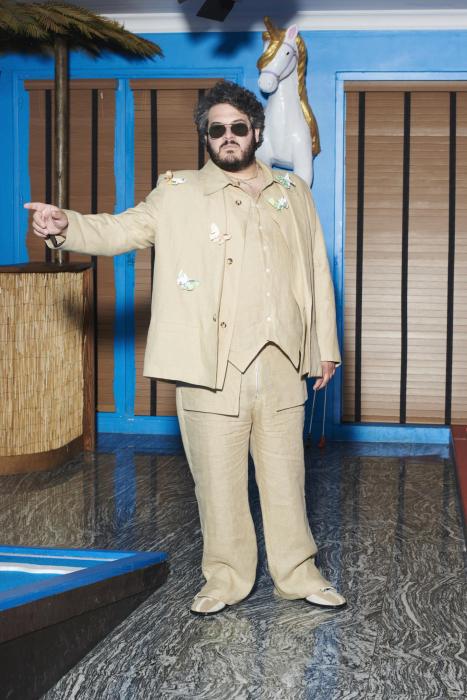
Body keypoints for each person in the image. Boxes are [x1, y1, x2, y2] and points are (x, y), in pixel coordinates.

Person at [27, 80, 345, 616]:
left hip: (282, 362)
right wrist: (65, 227)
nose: (227, 137)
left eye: (237, 127)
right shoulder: (176, 193)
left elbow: (316, 269)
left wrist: (325, 347)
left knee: (287, 480)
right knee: (218, 483)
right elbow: (121, 230)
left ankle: (299, 574)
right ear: (206, 136)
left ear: (256, 132)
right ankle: (225, 580)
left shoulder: (293, 193)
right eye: (216, 129)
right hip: (208, 366)